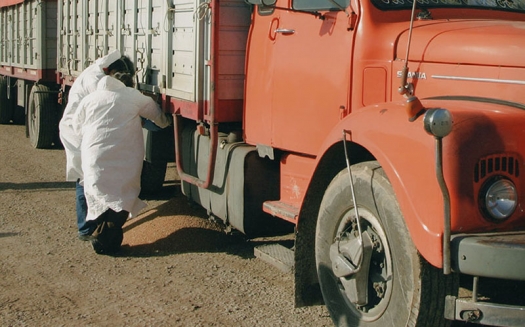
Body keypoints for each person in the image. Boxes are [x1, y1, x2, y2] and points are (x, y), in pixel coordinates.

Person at [73, 70, 171, 254]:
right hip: (125, 160)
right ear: (128, 84)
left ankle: (101, 236)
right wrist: (166, 123)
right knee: (123, 198)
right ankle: (105, 241)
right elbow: (156, 113)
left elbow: (77, 126)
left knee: (99, 196)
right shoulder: (132, 96)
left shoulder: (90, 99)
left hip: (94, 158)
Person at [59, 50, 134, 240]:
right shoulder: (96, 81)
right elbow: (109, 103)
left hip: (85, 129)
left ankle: (95, 223)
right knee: (85, 178)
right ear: (110, 70)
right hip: (77, 132)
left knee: (92, 176)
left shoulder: (98, 74)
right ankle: (86, 229)